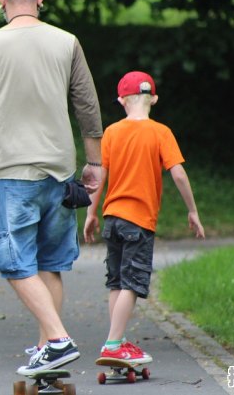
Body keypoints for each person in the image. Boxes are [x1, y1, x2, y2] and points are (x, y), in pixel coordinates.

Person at [0, 0, 104, 375]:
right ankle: (47, 355)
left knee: (15, 263)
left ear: (1, 1)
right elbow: (87, 108)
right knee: (49, 264)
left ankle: (56, 340)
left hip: (16, 173)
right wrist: (94, 163)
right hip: (60, 173)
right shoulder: (67, 42)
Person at [83, 71, 205, 362]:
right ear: (154, 99)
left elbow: (100, 175)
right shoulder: (161, 132)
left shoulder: (111, 132)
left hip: (112, 218)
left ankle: (118, 341)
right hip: (138, 221)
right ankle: (113, 345)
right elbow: (178, 173)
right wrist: (192, 210)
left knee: (116, 282)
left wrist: (90, 212)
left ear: (122, 100)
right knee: (132, 283)